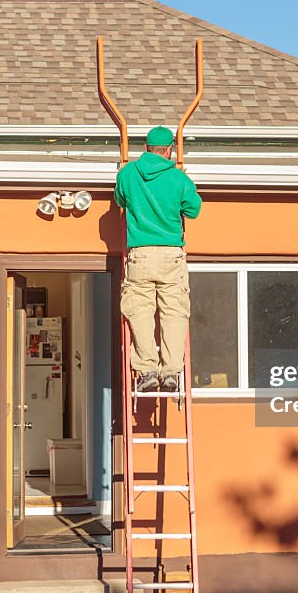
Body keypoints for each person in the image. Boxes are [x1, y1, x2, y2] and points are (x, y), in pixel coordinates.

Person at [114, 126, 202, 393]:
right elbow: (194, 210)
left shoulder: (128, 173)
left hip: (140, 253)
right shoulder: (178, 178)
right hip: (170, 253)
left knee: (139, 312)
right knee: (174, 313)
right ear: (168, 150)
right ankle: (172, 371)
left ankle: (147, 370)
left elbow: (119, 198)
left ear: (147, 147)